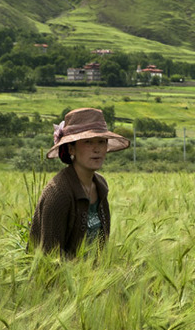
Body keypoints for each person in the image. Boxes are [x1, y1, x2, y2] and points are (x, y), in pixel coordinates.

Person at [29, 108, 130, 257]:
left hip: (94, 277)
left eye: (101, 142)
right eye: (88, 142)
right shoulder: (58, 193)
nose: (96, 149)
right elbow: (49, 258)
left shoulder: (101, 185)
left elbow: (101, 246)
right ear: (71, 148)